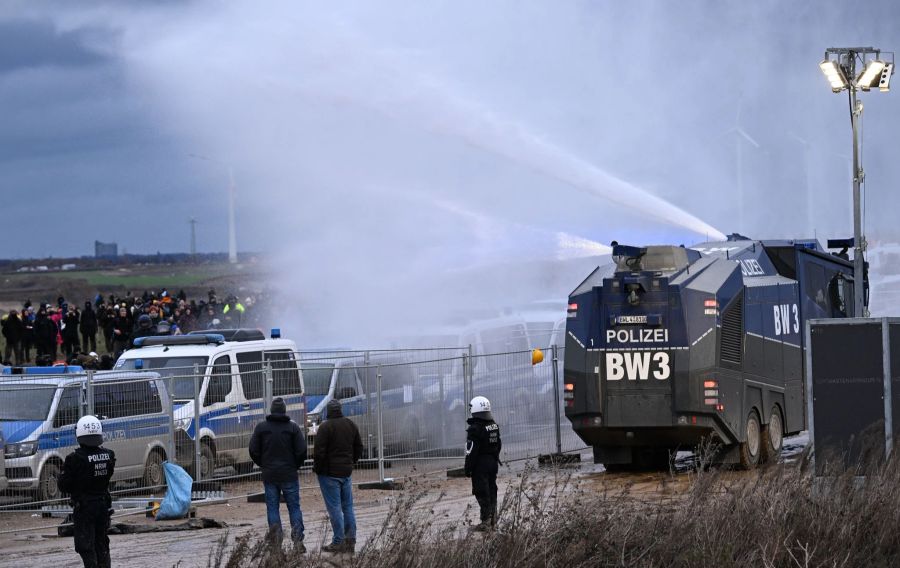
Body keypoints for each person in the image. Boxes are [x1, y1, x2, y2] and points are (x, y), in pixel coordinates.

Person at [249, 397, 308, 550]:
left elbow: (253, 450)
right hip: (289, 474)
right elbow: (302, 450)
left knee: (272, 508)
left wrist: (263, 464)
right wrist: (295, 465)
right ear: (284, 410)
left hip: (270, 475)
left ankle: (276, 542)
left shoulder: (261, 428)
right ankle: (298, 541)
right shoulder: (292, 428)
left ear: (271, 411)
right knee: (294, 507)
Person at [57, 415, 116, 568]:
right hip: (103, 505)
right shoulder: (109, 455)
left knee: (85, 545)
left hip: (84, 507)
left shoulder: (75, 458)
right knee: (101, 541)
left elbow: (64, 485)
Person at [314, 399, 363, 553]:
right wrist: (351, 462)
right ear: (340, 410)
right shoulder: (350, 424)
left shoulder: (325, 427)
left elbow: (319, 452)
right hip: (346, 473)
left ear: (328, 411)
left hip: (329, 474)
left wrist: (319, 469)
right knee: (348, 507)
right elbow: (359, 447)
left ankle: (338, 541)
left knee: (334, 508)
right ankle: (350, 540)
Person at [465, 396, 502, 531]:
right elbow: (498, 444)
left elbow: (471, 450)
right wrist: (494, 457)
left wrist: (468, 468)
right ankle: (493, 519)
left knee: (481, 490)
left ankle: (486, 521)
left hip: (480, 465)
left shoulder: (475, 429)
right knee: (492, 489)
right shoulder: (493, 426)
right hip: (493, 463)